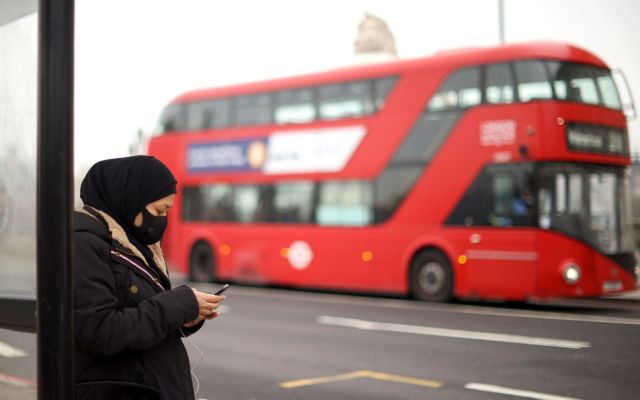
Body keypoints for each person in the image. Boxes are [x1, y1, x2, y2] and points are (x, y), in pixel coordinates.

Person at [73, 155, 224, 399]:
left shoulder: (132, 243)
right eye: (158, 210)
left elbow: (142, 314)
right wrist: (178, 303)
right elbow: (101, 332)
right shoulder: (84, 242)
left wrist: (186, 315)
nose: (162, 220)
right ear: (131, 198)